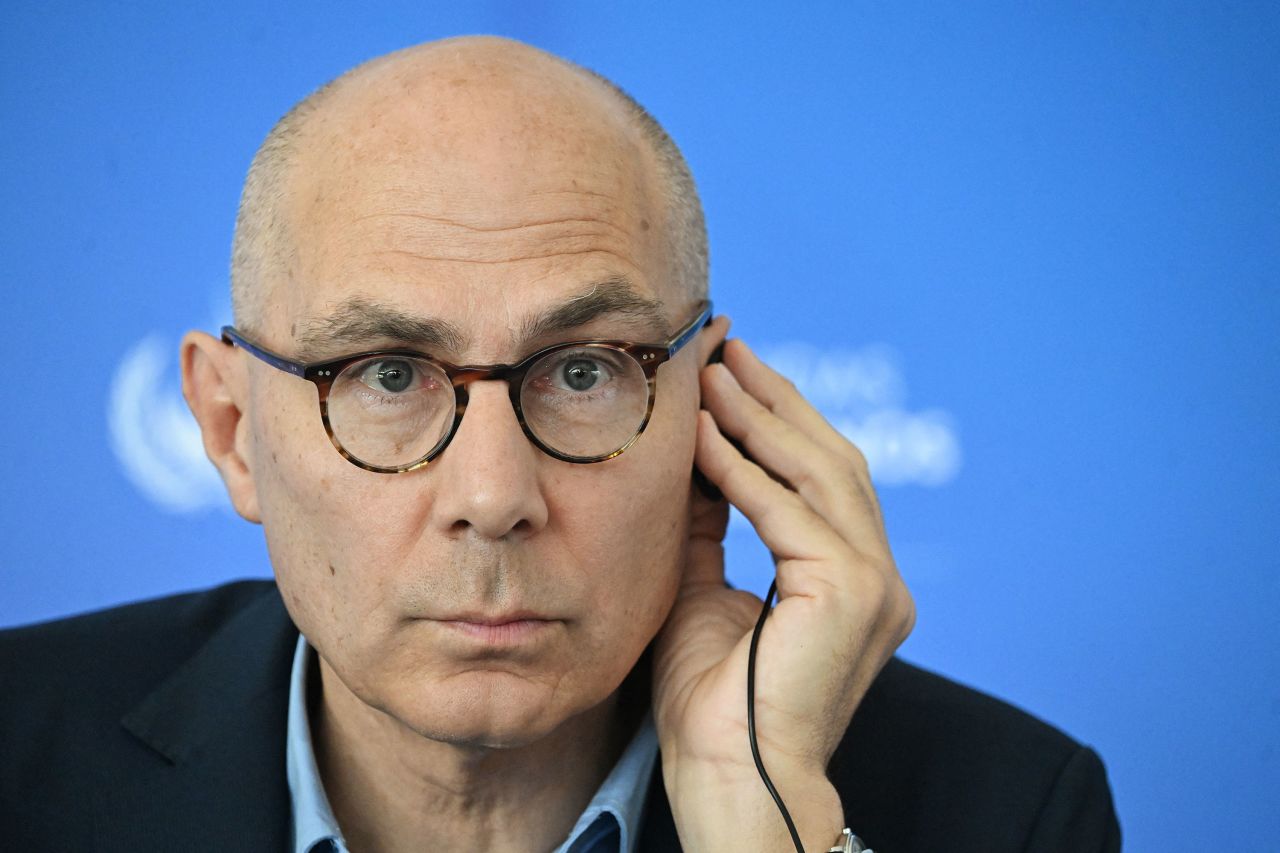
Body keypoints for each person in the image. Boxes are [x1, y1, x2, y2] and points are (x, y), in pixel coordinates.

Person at [0, 36, 1120, 852]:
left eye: (581, 371)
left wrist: (760, 816)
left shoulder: (1007, 809)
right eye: (386, 373)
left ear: (708, 409)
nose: (492, 496)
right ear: (233, 429)